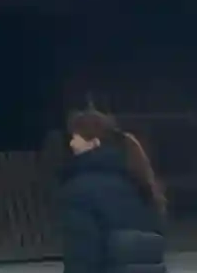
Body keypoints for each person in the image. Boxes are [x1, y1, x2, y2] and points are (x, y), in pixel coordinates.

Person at [61, 110, 169, 273]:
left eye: (76, 138)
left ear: (94, 143)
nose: (71, 143)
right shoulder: (140, 182)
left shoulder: (80, 190)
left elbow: (81, 252)